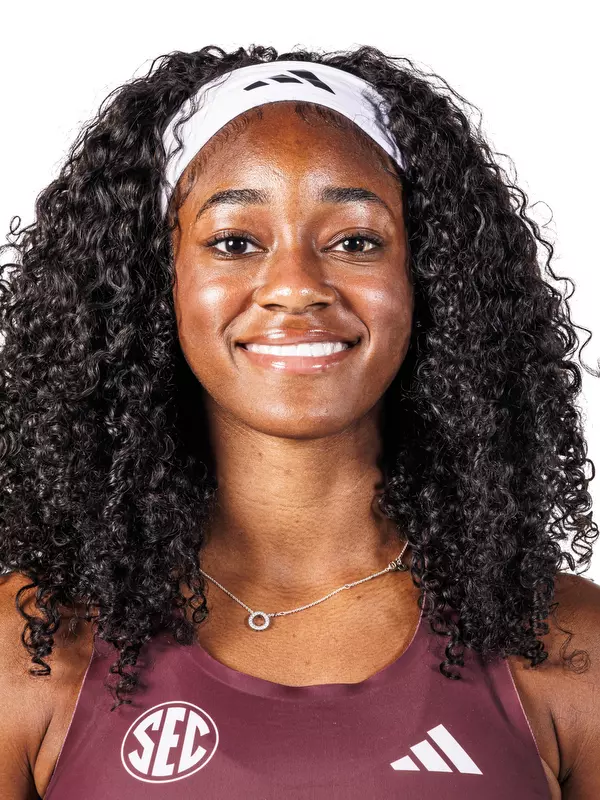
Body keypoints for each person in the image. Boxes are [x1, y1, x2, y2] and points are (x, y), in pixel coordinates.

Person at [0, 43, 598, 799]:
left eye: (354, 241)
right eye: (235, 242)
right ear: (157, 285)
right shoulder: (32, 651)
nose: (295, 287)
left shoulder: (569, 649)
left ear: (430, 278)